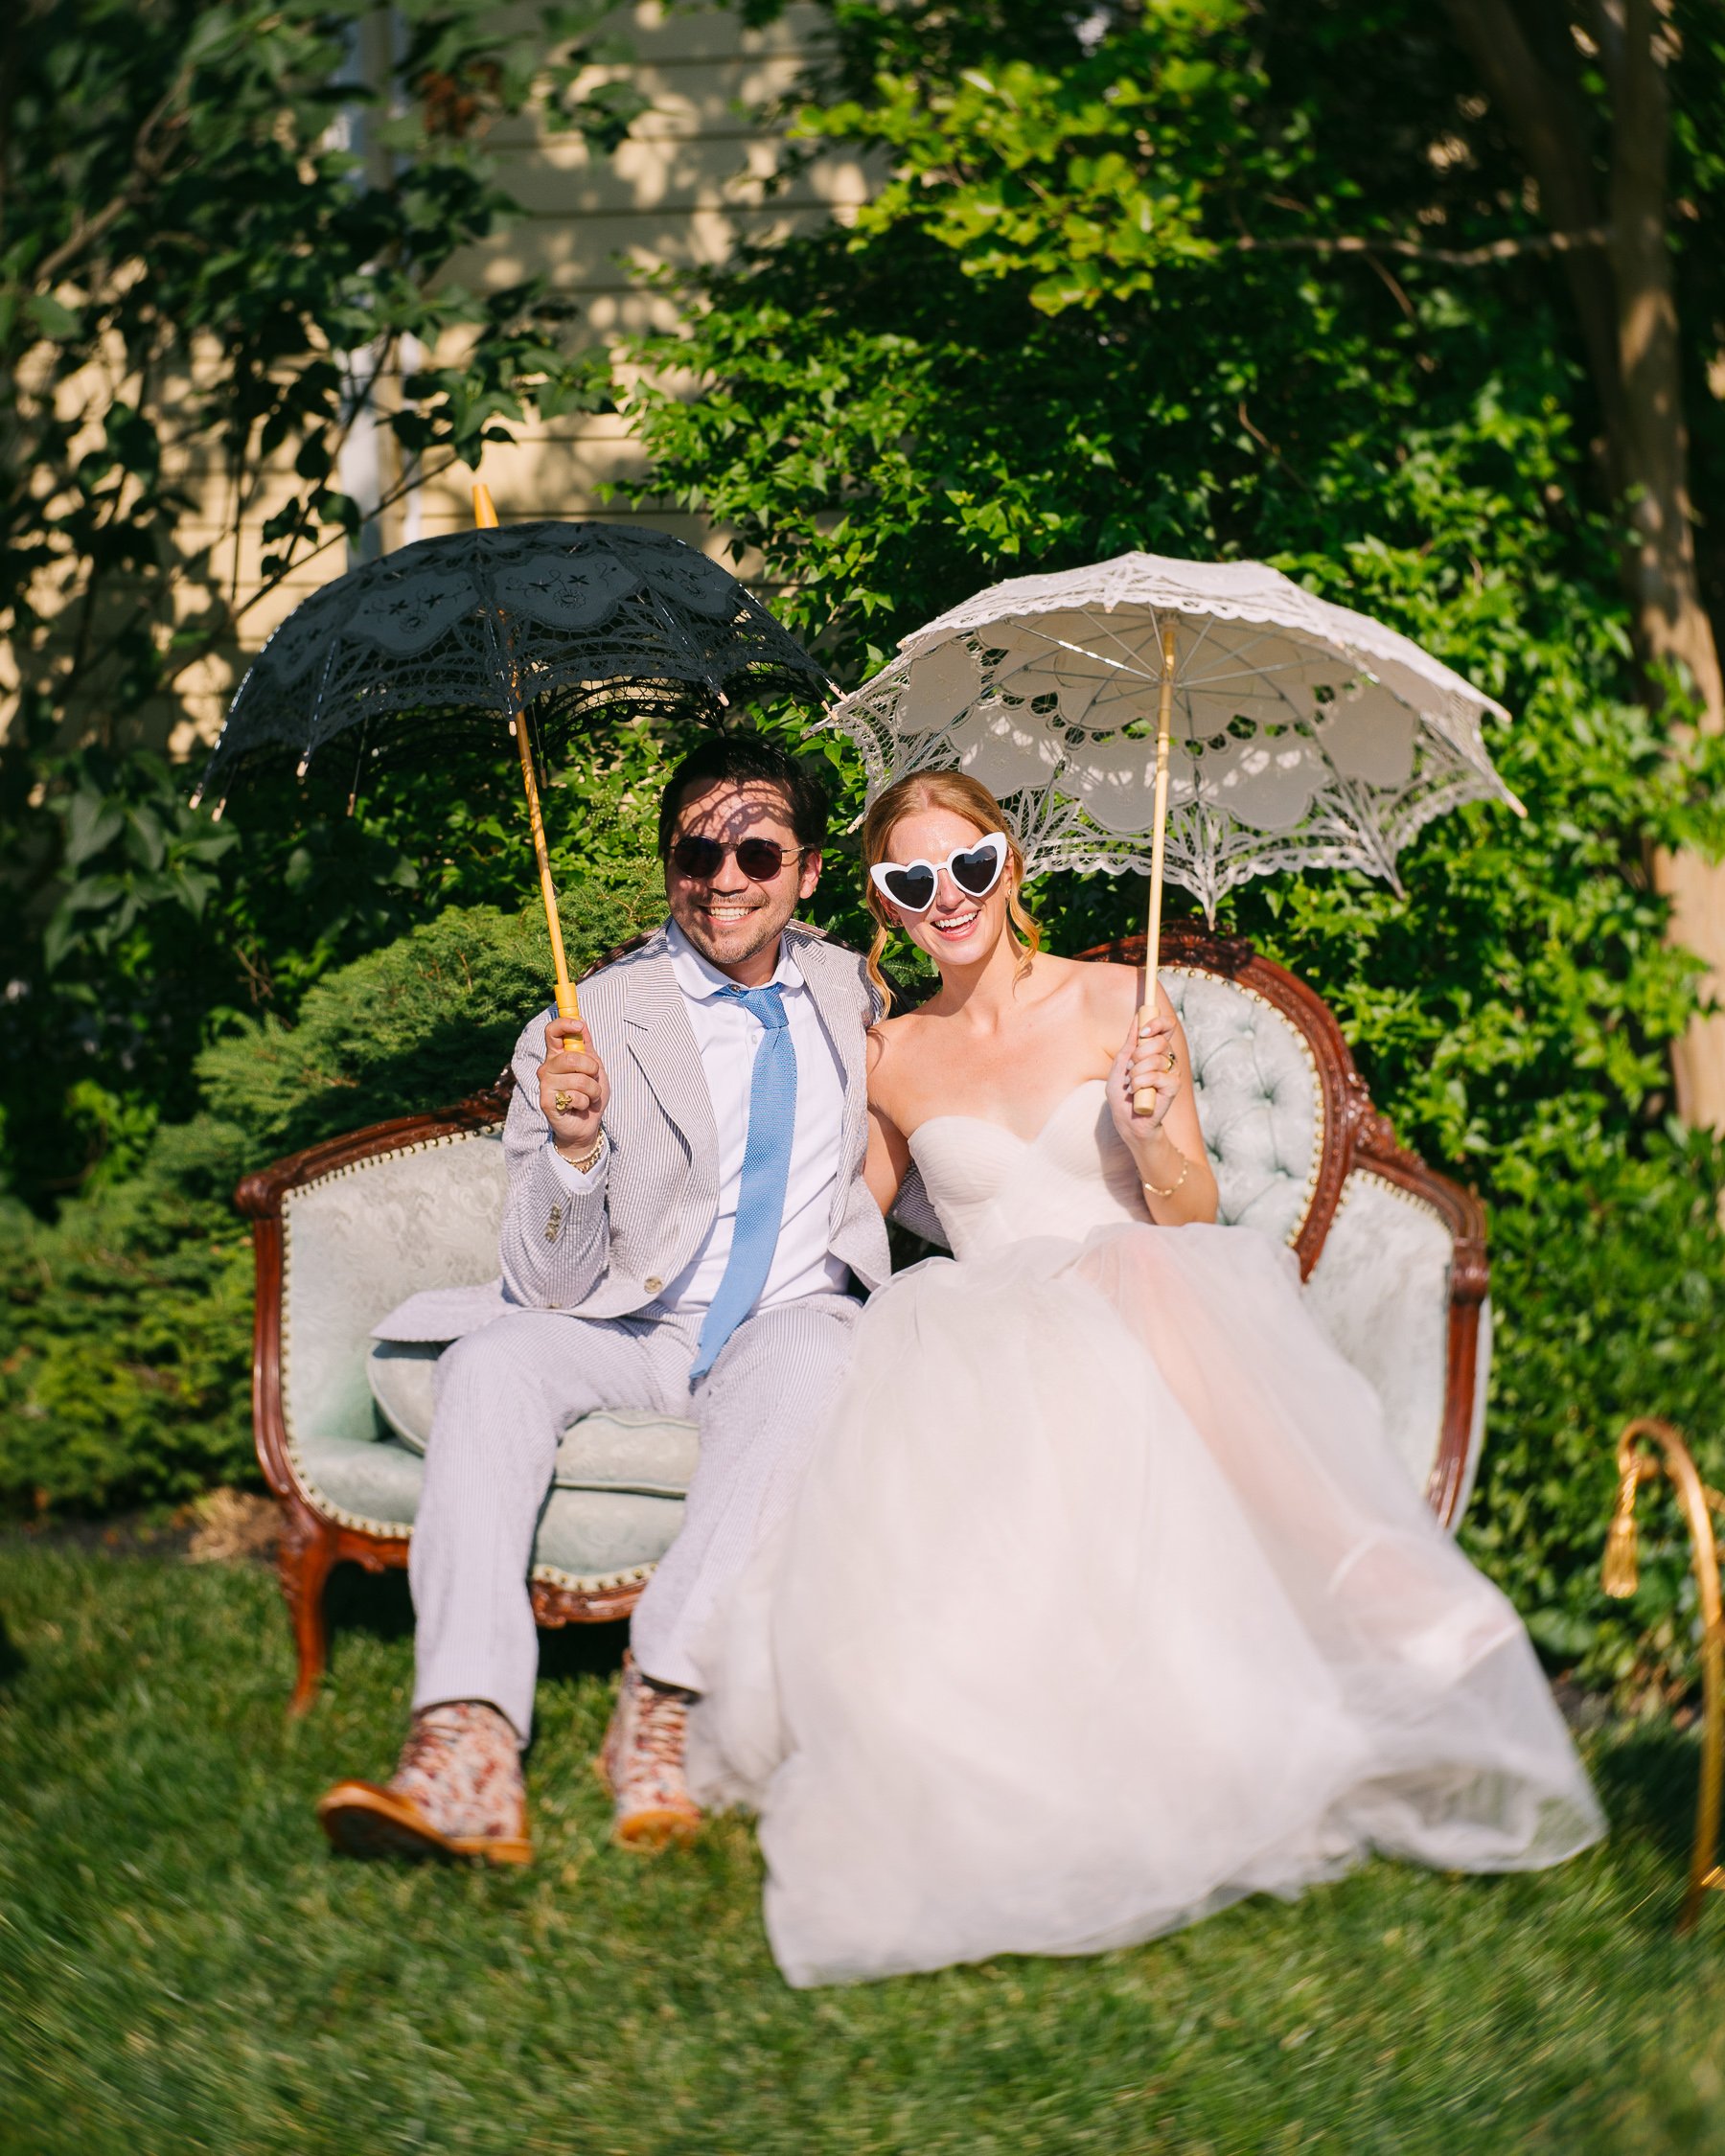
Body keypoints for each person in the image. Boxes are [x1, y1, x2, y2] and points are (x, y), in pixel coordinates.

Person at [687, 768, 1604, 1988]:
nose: (947, 897)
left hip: (1149, 1311)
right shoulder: (892, 1053)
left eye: (969, 865)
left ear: (1012, 861)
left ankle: (1376, 1586)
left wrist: (1160, 1124)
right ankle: (1309, 1628)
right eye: (914, 882)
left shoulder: (1126, 1000)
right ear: (883, 902)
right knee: (1031, 1337)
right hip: (983, 1348)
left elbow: (1193, 1212)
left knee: (1138, 1271)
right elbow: (835, 1221)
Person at [317, 735, 929, 1864]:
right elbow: (544, 1285)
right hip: (629, 1329)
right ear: (669, 863)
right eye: (697, 849)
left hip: (781, 1325)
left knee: (819, 1353)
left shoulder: (862, 994)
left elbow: (949, 1124)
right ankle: (466, 1744)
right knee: (493, 1360)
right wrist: (574, 1147)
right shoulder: (584, 1022)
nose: (724, 876)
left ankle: (661, 1700)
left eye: (757, 849)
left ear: (807, 874)